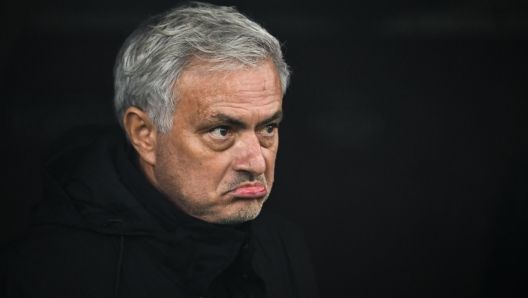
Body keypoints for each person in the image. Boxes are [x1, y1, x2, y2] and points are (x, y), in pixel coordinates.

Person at [0, 2, 318, 297]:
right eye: (222, 131)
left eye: (268, 128)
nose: (256, 162)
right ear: (144, 135)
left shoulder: (282, 244)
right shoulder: (46, 273)